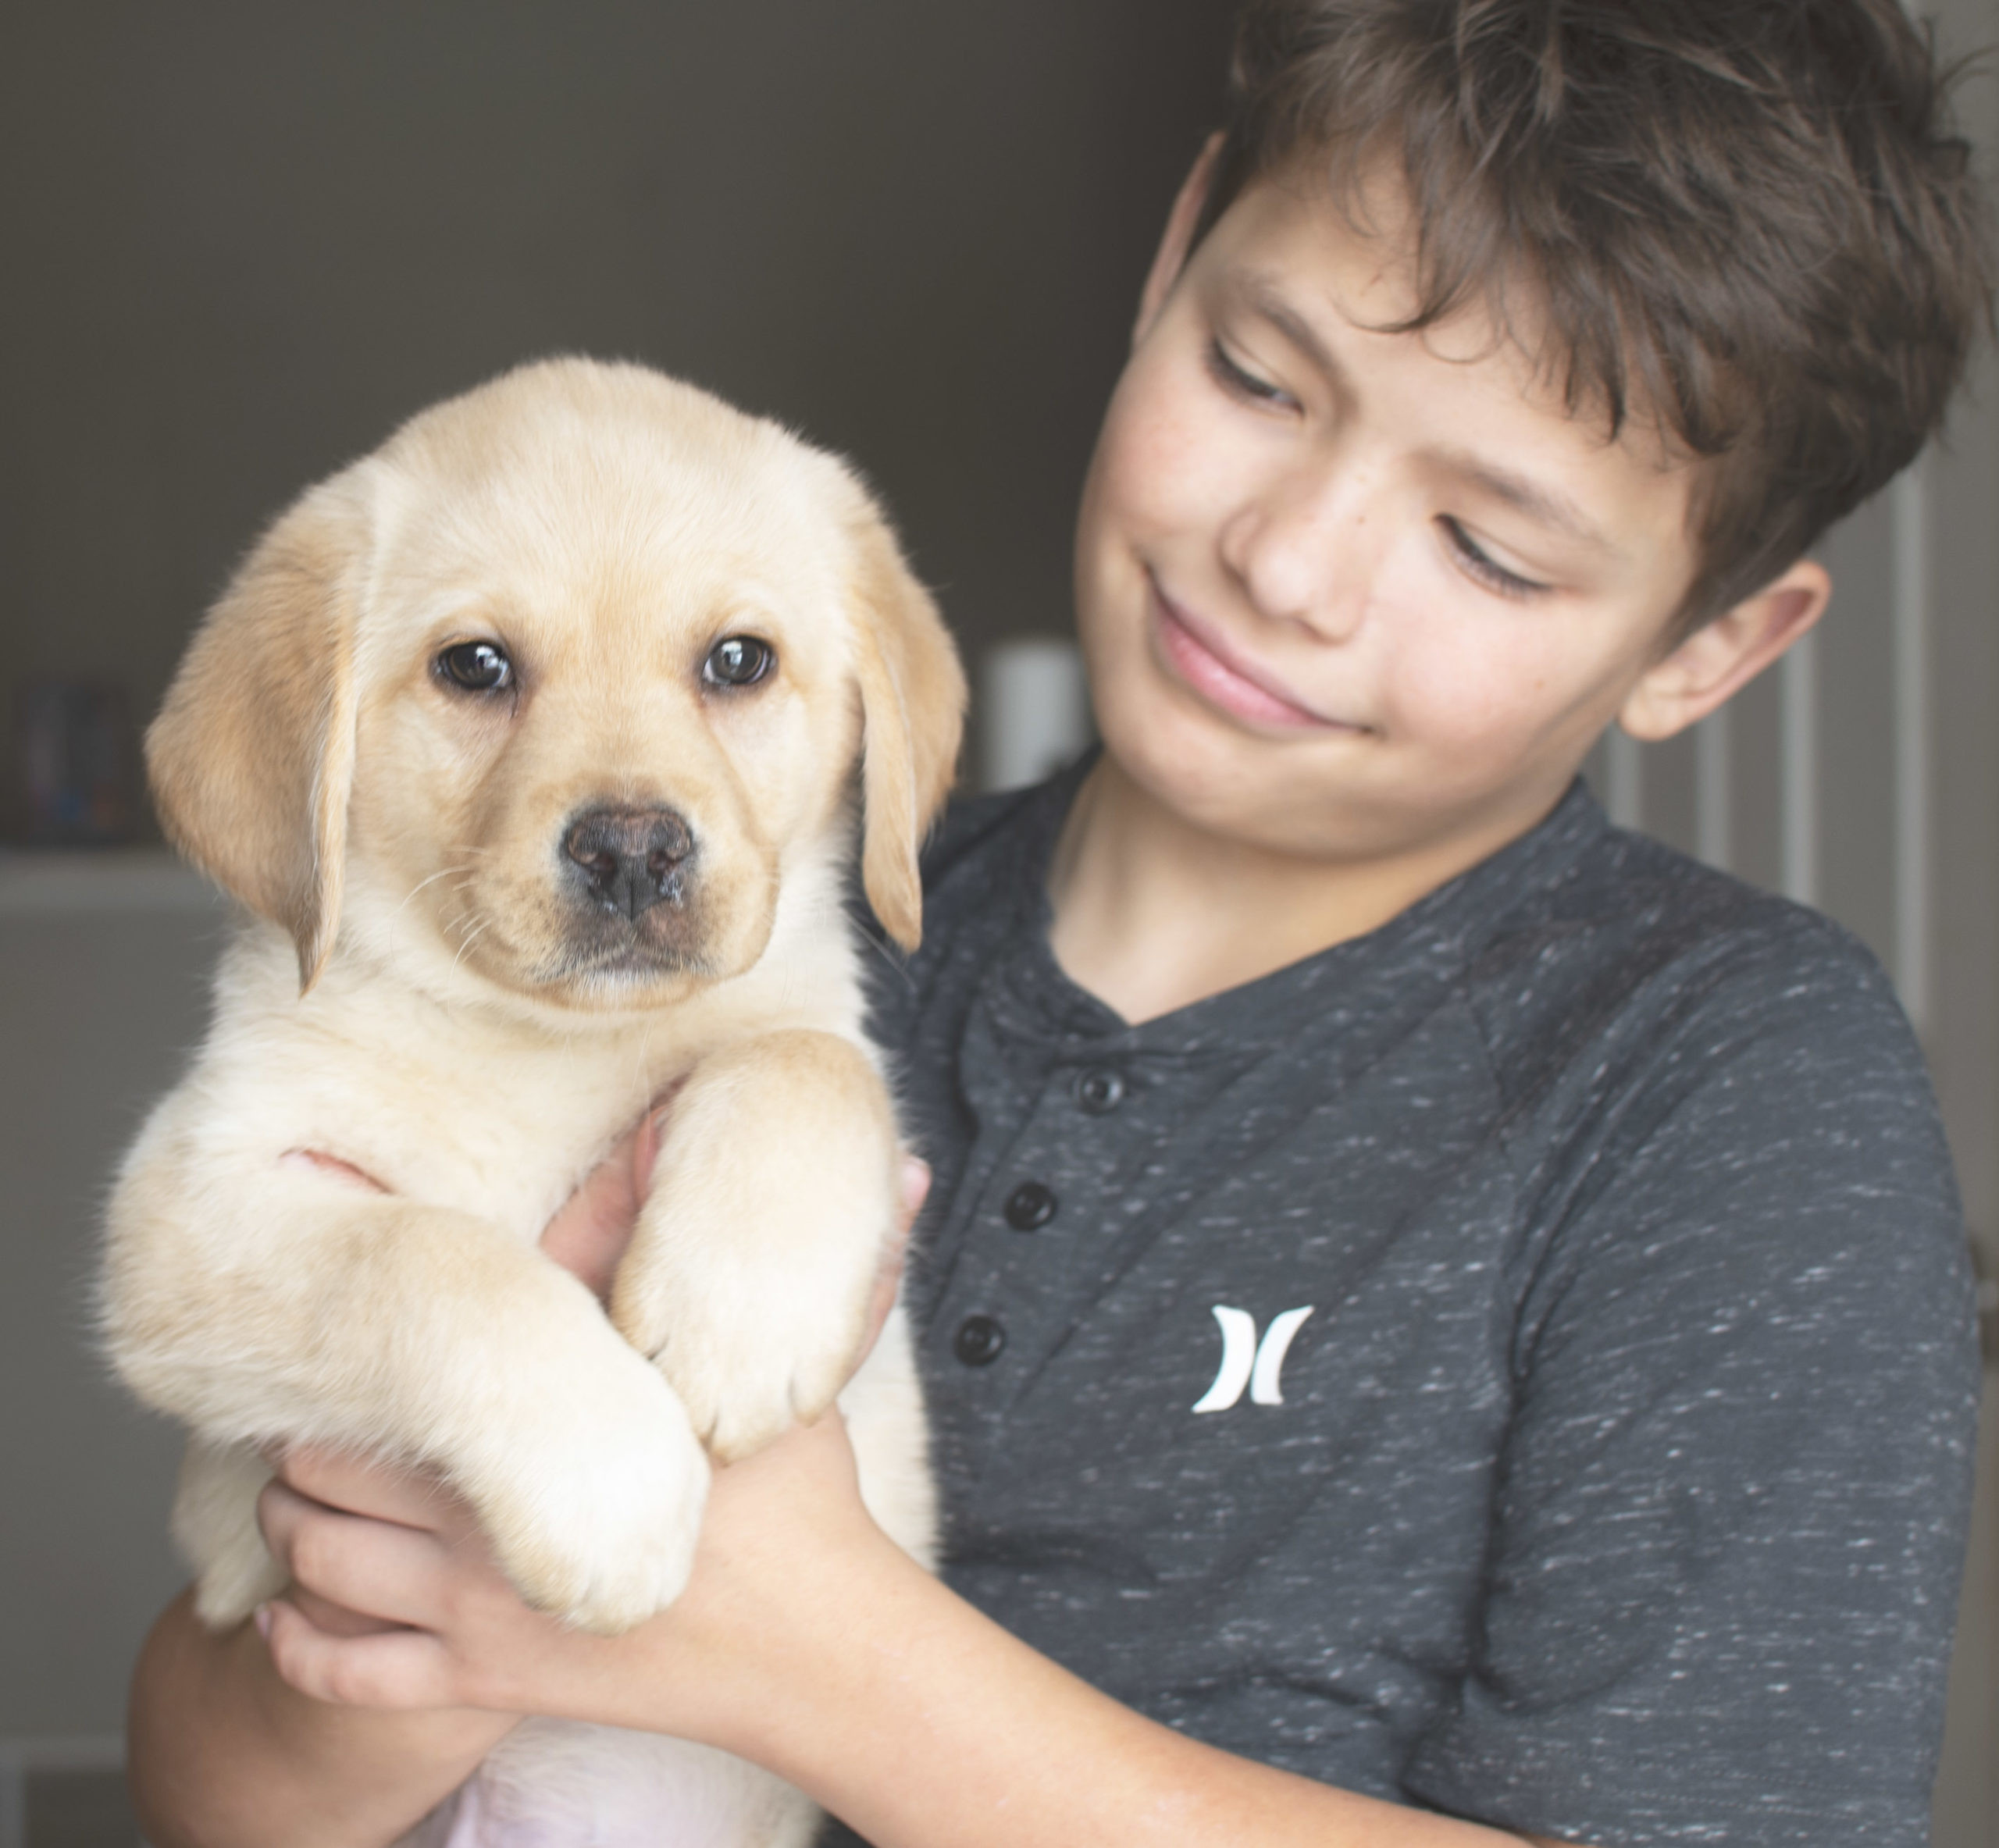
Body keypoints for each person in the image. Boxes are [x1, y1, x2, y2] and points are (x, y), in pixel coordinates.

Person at [126, 2, 1992, 1843]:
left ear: (1707, 647)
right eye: (1258, 378)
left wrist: (810, 1652)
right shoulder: (784, 930)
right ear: (1173, 252)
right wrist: (428, 1596)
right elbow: (210, 1771)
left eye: (1484, 545)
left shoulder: (1725, 1094)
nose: (1288, 562)